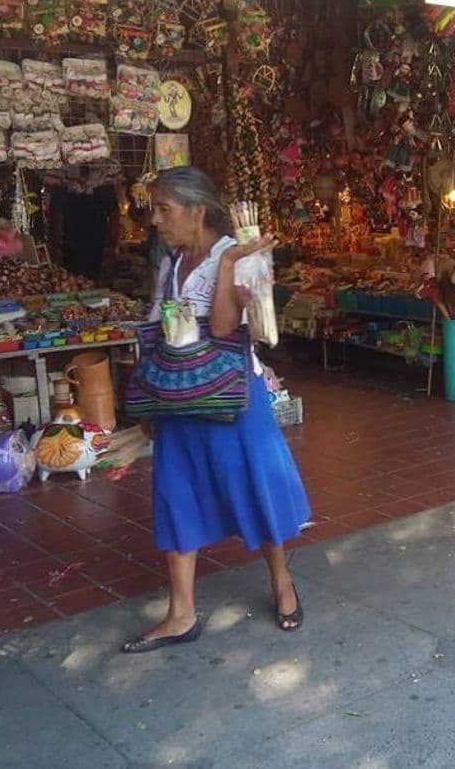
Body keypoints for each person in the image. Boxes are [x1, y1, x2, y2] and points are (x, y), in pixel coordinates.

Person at [122, 167, 311, 654]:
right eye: (155, 208)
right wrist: (148, 392)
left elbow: (227, 329)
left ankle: (281, 582)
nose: (157, 220)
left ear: (197, 211)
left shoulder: (241, 254)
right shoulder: (171, 262)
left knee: (254, 488)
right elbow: (161, 325)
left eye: (165, 209)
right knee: (176, 494)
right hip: (178, 398)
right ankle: (180, 612)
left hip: (230, 397)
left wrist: (228, 265)